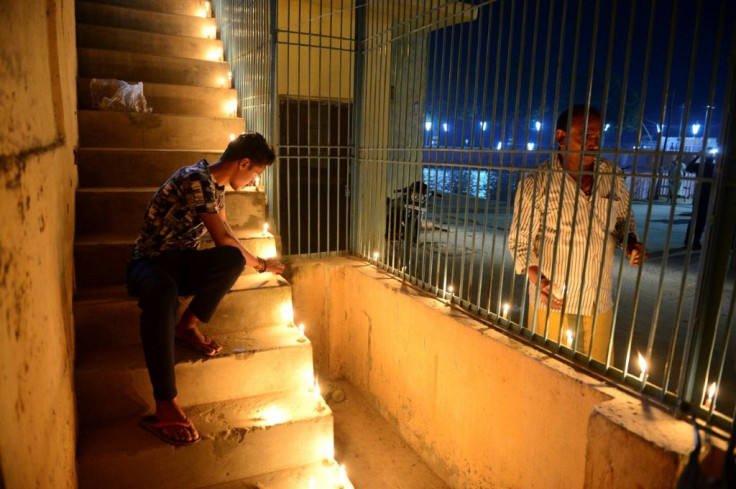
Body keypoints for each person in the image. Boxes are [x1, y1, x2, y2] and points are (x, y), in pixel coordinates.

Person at [126, 131, 286, 446]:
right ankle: (165, 404)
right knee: (163, 294)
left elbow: (226, 233)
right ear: (243, 163)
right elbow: (222, 237)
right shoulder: (195, 178)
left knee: (229, 260)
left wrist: (251, 260)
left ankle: (187, 325)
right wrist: (261, 265)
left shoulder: (215, 187)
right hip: (148, 263)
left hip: (180, 261)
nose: (254, 181)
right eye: (255, 173)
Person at [508, 105, 647, 362]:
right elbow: (519, 244)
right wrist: (540, 280)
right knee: (550, 369)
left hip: (597, 299)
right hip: (551, 302)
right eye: (585, 137)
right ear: (561, 137)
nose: (593, 144)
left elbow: (624, 223)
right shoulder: (536, 183)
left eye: (597, 137)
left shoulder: (613, 177)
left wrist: (631, 244)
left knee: (596, 373)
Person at [684, 152, 716, 251]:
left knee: (694, 218)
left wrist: (698, 156)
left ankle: (688, 241)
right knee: (701, 220)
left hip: (700, 195)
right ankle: (695, 241)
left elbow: (688, 168)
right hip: (707, 196)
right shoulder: (715, 167)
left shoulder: (700, 166)